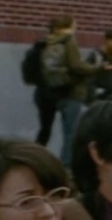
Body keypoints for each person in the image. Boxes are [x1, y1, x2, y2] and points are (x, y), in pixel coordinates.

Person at [40, 16, 108, 167]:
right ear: (69, 26)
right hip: (73, 91)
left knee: (55, 130)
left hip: (57, 90)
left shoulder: (50, 42)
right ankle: (66, 165)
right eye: (75, 25)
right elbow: (76, 67)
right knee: (71, 132)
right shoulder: (68, 41)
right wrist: (97, 68)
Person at [87, 29, 112, 102]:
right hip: (98, 97)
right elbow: (88, 75)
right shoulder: (96, 55)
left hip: (111, 97)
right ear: (106, 40)